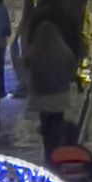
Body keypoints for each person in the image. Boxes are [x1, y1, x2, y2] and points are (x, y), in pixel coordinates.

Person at [26, 16, 79, 151]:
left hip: (42, 96)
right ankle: (57, 146)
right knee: (57, 120)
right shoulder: (65, 52)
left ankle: (48, 146)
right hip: (60, 96)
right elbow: (71, 72)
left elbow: (26, 66)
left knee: (45, 122)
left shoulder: (35, 52)